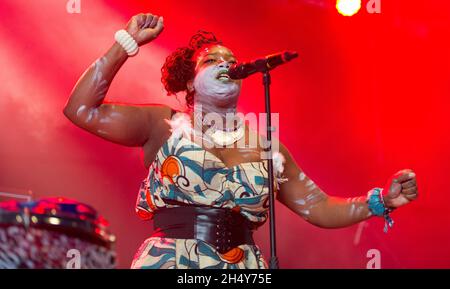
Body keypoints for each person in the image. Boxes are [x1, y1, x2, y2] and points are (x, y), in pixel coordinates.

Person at [63, 13, 419, 269]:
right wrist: (126, 44)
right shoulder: (163, 125)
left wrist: (381, 201)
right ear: (189, 83)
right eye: (212, 60)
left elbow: (319, 206)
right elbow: (81, 110)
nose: (226, 64)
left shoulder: (267, 146)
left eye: (232, 61)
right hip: (173, 262)